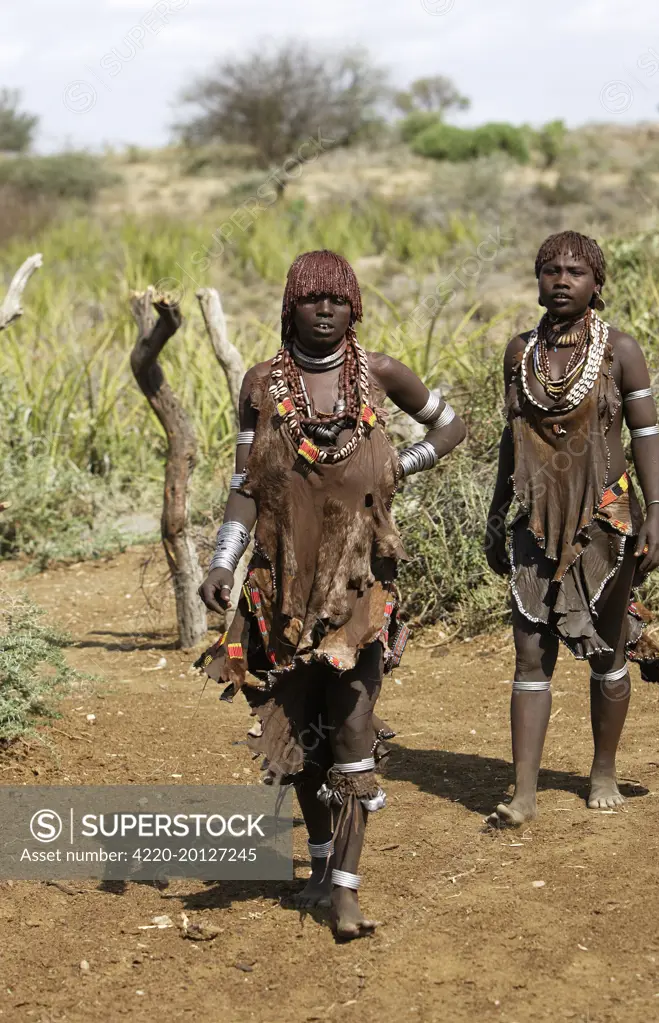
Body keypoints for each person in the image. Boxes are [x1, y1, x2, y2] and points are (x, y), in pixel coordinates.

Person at [195, 250, 466, 939]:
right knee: (299, 741)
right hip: (278, 588)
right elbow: (244, 484)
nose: (324, 310)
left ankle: (345, 889)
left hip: (356, 587)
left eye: (337, 300)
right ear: (290, 305)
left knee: (351, 727)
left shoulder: (379, 375)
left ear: (354, 308)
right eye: (312, 299)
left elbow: (451, 425)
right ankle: (319, 866)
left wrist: (399, 466)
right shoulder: (261, 385)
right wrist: (222, 560)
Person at [485, 230, 659, 827]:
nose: (562, 280)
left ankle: (602, 770)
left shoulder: (620, 349)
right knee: (529, 654)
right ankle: (523, 793)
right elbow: (509, 441)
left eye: (575, 271)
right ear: (537, 280)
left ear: (597, 283)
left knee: (609, 647)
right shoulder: (520, 353)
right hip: (535, 519)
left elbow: (645, 435)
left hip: (608, 518)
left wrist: (657, 511)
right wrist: (496, 517)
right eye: (550, 270)